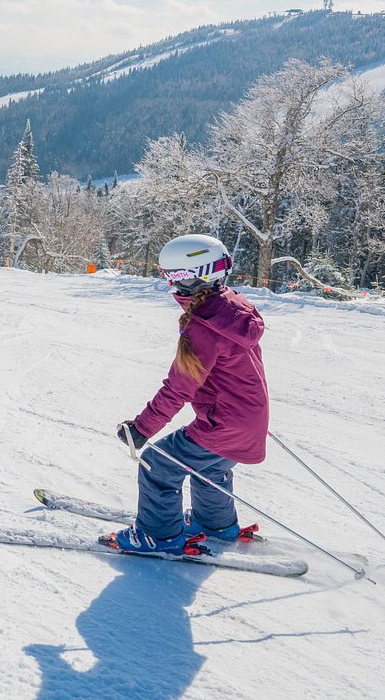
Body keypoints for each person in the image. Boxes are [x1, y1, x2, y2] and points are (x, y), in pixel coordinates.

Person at [109, 233, 268, 555]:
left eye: (175, 276)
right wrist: (245, 413)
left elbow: (180, 386)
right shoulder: (233, 308)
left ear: (195, 277)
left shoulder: (203, 326)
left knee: (158, 465)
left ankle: (158, 536)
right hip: (247, 416)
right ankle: (215, 524)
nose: (171, 284)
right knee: (210, 467)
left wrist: (142, 429)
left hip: (224, 422)